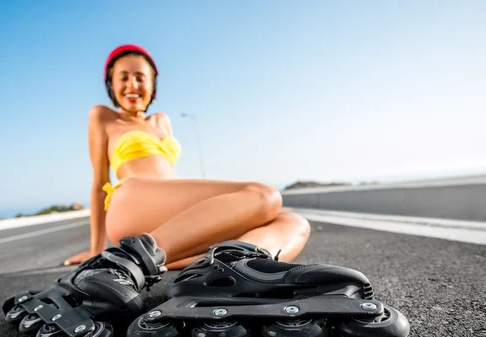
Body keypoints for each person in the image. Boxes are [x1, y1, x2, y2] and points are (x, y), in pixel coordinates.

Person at [63, 44, 311, 270]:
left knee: (293, 223)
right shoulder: (103, 116)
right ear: (110, 85)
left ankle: (229, 270)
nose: (132, 85)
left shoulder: (161, 121)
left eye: (140, 78)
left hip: (169, 211)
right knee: (265, 197)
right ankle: (136, 259)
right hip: (133, 200)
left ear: (152, 86)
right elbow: (98, 186)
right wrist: (95, 249)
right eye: (123, 78)